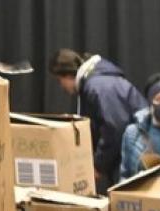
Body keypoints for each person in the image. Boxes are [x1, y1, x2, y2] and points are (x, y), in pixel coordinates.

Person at [50, 49, 146, 187]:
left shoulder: (98, 86)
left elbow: (115, 127)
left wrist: (98, 165)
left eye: (60, 80)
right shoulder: (100, 83)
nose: (61, 86)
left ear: (67, 75)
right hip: (133, 157)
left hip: (134, 160)